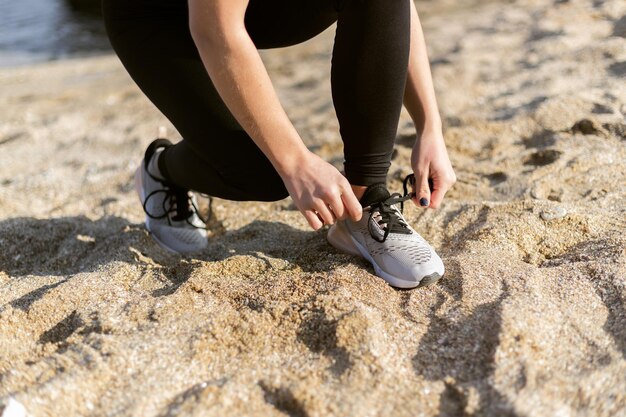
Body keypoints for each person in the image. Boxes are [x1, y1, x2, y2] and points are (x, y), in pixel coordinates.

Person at [101, 0, 456, 289]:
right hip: (157, 17)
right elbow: (215, 30)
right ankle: (161, 168)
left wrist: (430, 127)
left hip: (251, 10)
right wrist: (295, 162)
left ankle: (362, 207)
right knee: (267, 174)